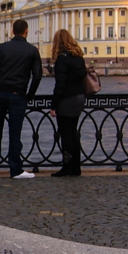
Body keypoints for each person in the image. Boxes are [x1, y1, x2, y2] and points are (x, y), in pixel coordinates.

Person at [0, 19, 42, 178]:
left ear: (12, 31)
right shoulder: (32, 50)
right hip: (18, 95)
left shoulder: (2, 48)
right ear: (26, 31)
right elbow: (37, 76)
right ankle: (15, 169)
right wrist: (30, 94)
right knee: (14, 132)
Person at [48, 28, 88, 177]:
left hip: (67, 100)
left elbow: (60, 85)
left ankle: (67, 167)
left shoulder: (62, 58)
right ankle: (76, 167)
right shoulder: (78, 56)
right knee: (73, 132)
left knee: (66, 135)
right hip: (79, 98)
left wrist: (54, 105)